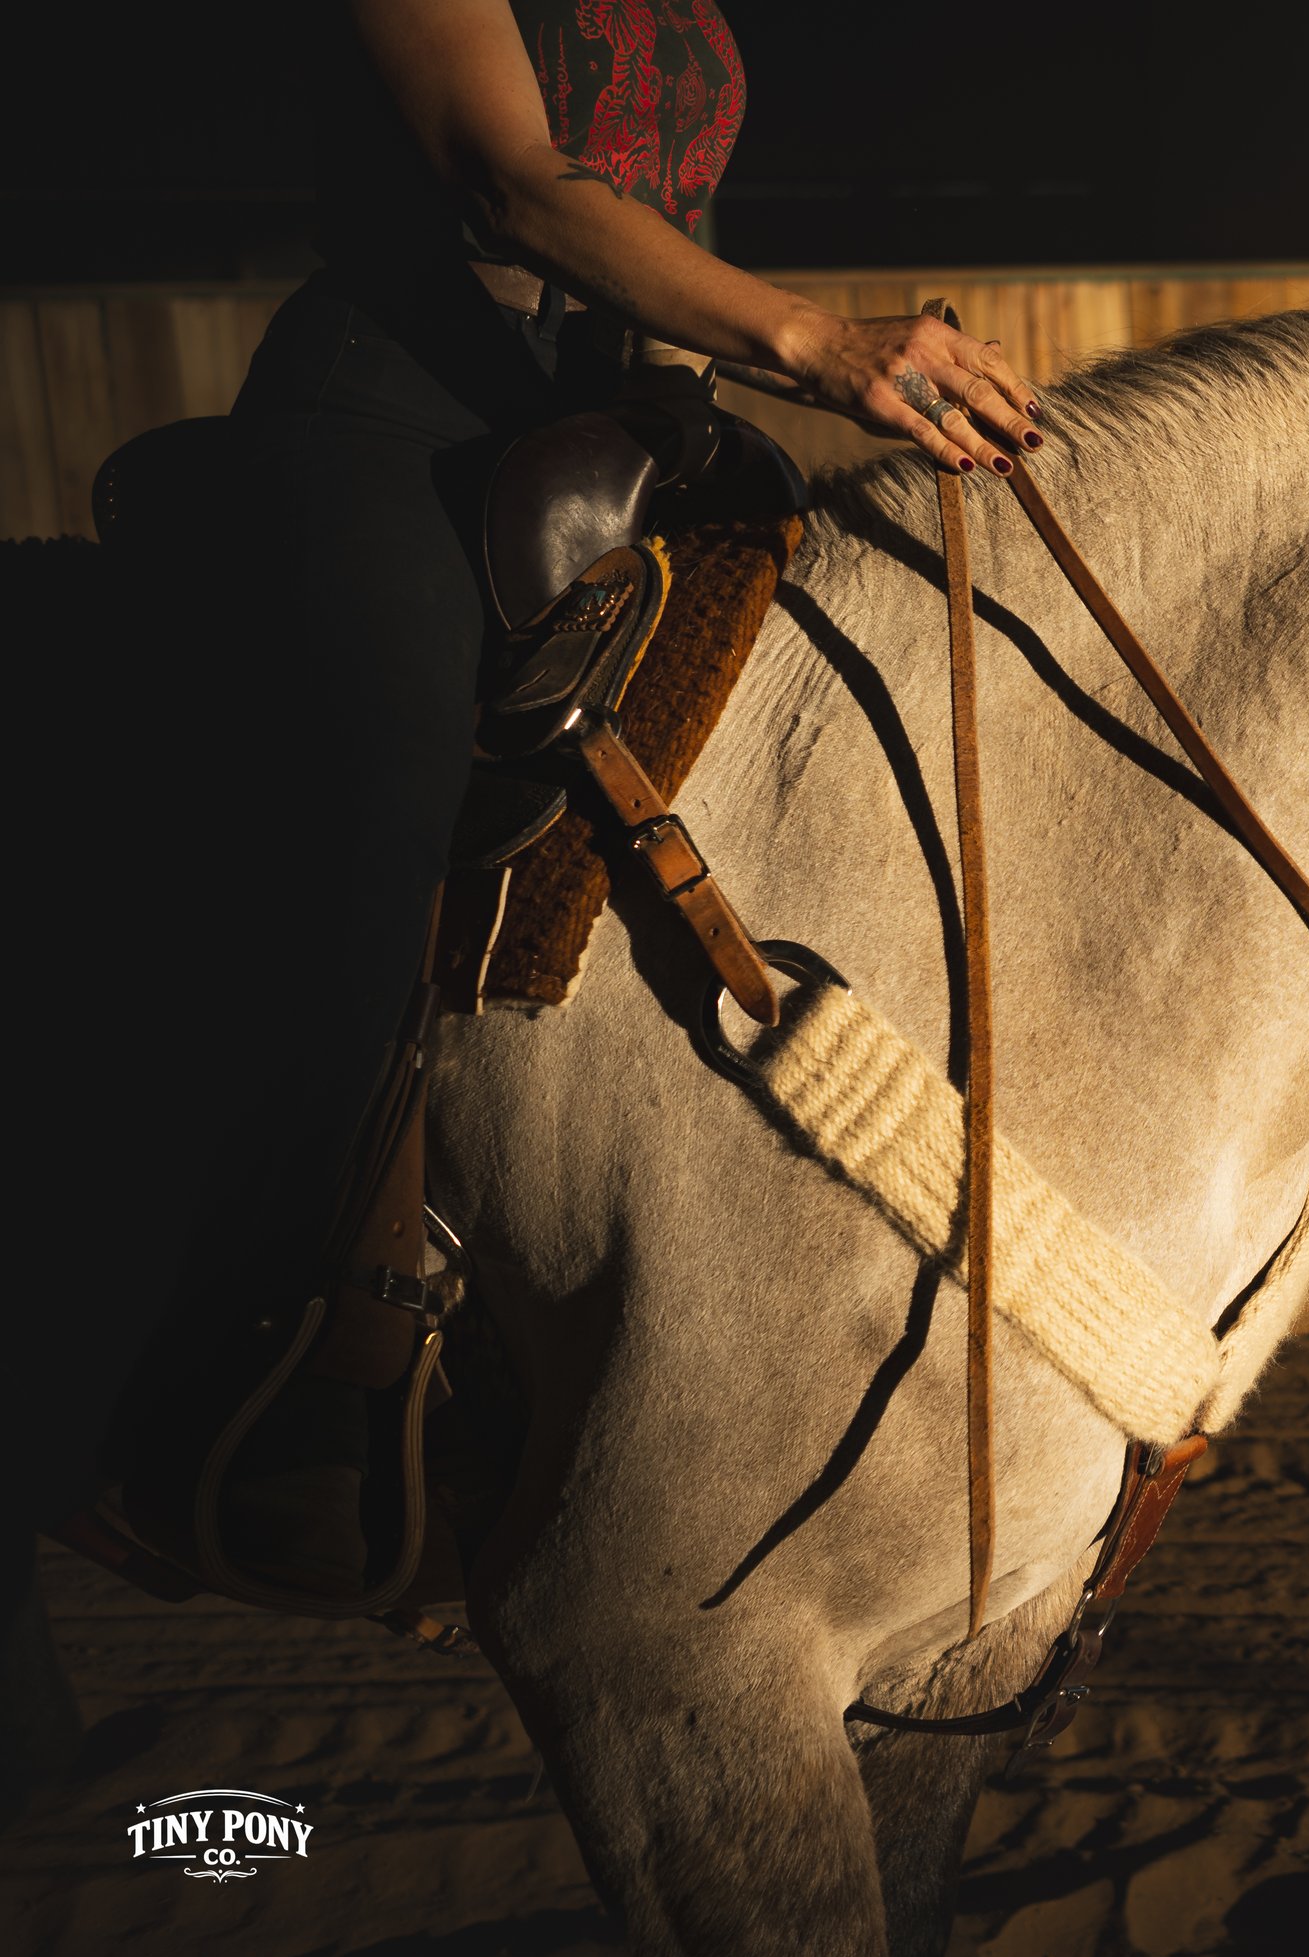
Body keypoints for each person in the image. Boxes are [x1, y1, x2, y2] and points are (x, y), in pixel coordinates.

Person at [91, 0, 1046, 1595]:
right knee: (384, 782)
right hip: (395, 403)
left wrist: (696, 395)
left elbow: (648, 219)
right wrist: (813, 342)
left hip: (600, 414)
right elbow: (510, 184)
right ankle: (272, 1347)